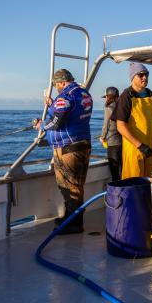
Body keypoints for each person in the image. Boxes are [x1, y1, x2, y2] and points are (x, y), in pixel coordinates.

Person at [35, 69, 93, 235]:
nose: (55, 87)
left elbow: (56, 123)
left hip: (68, 148)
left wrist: (41, 126)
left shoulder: (65, 96)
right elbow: (71, 112)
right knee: (77, 185)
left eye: (55, 84)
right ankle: (72, 219)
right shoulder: (83, 93)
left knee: (68, 186)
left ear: (61, 82)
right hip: (83, 144)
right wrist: (54, 104)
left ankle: (73, 224)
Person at [100, 86, 122, 181]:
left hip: (113, 143)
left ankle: (118, 193)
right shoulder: (122, 107)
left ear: (109, 97)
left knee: (115, 172)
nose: (105, 99)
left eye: (106, 97)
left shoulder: (109, 108)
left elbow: (106, 125)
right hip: (123, 142)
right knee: (122, 170)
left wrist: (102, 137)